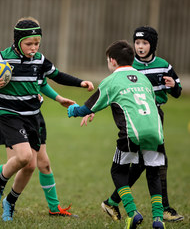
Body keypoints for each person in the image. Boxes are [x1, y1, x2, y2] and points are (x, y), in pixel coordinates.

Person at [0, 17, 94, 221]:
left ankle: (10, 201)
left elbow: (55, 76)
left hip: (33, 116)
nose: (33, 48)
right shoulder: (2, 57)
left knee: (33, 165)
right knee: (23, 159)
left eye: (37, 43)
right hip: (10, 115)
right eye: (29, 44)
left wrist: (79, 84)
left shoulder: (39, 60)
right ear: (17, 42)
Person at [68, 40, 166, 229]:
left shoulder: (111, 80)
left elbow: (85, 108)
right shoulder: (143, 78)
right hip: (156, 130)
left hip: (131, 133)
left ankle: (132, 212)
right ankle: (158, 219)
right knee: (153, 174)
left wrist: (72, 110)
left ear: (112, 61)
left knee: (117, 171)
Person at [101, 26, 183, 223]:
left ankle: (114, 201)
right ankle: (160, 209)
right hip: (135, 119)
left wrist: (174, 86)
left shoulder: (163, 65)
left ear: (152, 45)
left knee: (154, 163)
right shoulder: (130, 66)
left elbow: (178, 91)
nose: (140, 47)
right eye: (137, 43)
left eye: (144, 43)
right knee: (150, 163)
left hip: (155, 117)